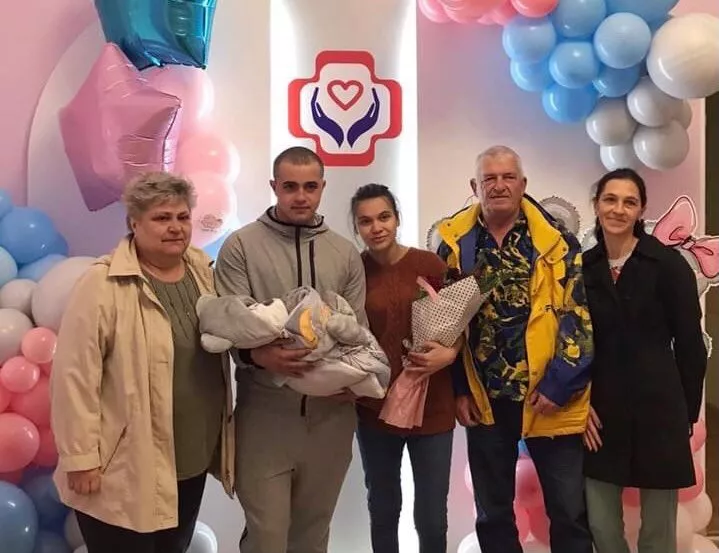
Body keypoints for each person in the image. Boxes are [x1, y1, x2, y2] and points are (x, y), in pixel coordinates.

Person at [50, 172, 235, 553]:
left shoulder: (203, 271)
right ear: (134, 223)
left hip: (190, 456)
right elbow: (73, 377)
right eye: (161, 218)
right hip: (124, 465)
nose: (175, 227)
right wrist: (80, 459)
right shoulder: (102, 284)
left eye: (182, 217)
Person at [437, 145, 594, 553]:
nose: (499, 185)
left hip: (549, 398)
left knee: (569, 512)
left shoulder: (558, 243)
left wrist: (560, 384)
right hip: (485, 401)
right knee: (493, 514)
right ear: (475, 186)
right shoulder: (455, 246)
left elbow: (578, 317)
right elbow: (447, 326)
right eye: (489, 178)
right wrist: (459, 389)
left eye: (508, 177)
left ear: (523, 184)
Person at [214, 146, 366, 553]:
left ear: (323, 188)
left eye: (310, 187)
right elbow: (227, 322)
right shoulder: (240, 246)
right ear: (274, 187)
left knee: (312, 537)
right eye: (290, 187)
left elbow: (358, 330)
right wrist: (256, 356)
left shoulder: (344, 253)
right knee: (267, 538)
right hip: (265, 416)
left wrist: (356, 375)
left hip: (331, 421)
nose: (301, 196)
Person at [581, 168, 707, 553]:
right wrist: (578, 402)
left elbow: (691, 345)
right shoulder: (582, 268)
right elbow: (569, 344)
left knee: (658, 532)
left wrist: (686, 413)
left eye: (629, 202)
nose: (618, 209)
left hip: (659, 410)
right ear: (596, 205)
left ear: (641, 210)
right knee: (601, 525)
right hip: (600, 412)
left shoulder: (668, 265)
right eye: (610, 199)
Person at [350, 183, 460, 553]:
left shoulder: (429, 265)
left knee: (431, 516)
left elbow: (461, 324)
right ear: (356, 227)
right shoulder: (354, 272)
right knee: (383, 507)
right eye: (365, 221)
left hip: (433, 407)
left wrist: (451, 353)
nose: (376, 227)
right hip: (376, 409)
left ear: (397, 219)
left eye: (384, 217)